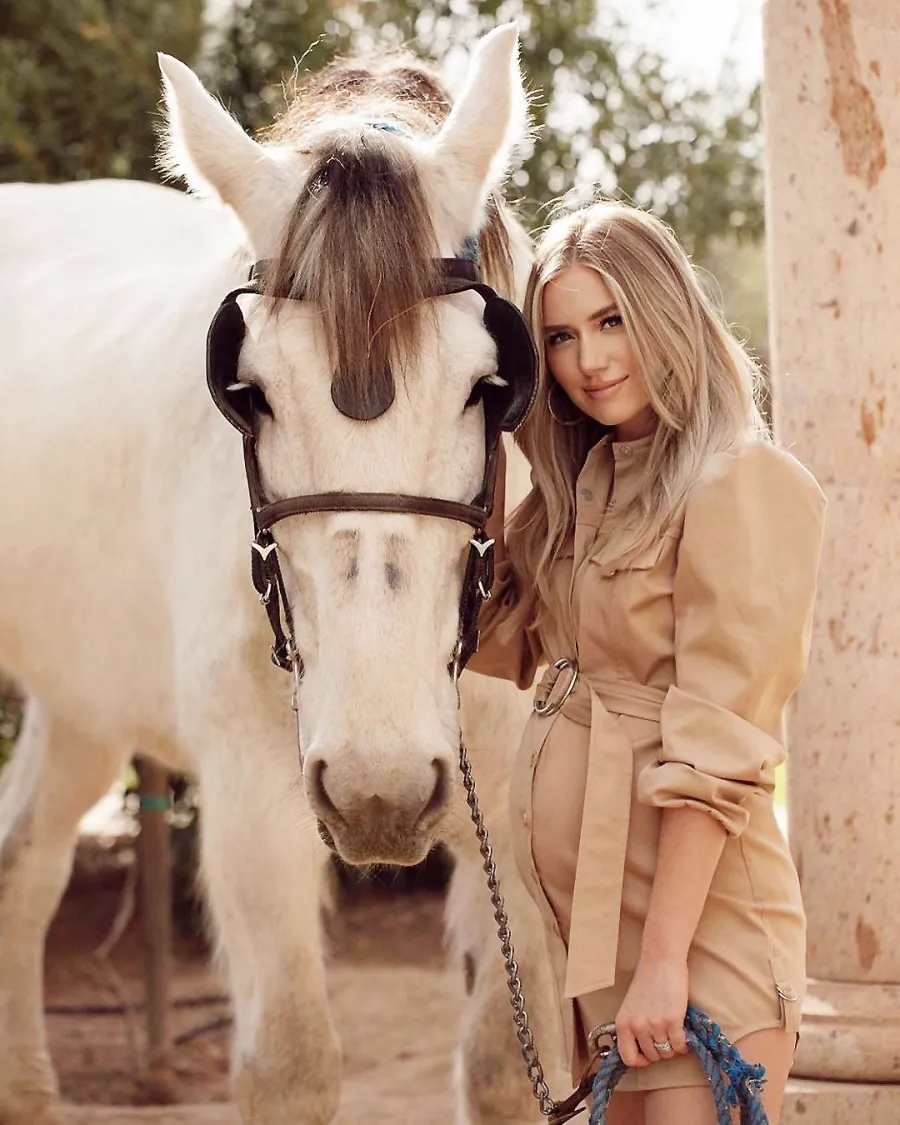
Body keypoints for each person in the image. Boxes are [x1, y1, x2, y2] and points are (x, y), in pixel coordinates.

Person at [469, 201, 826, 1125]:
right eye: (560, 336)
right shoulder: (585, 485)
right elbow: (489, 636)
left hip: (702, 938)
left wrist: (664, 964)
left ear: (665, 310)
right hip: (603, 946)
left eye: (612, 320)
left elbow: (719, 751)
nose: (590, 360)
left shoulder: (739, 481)